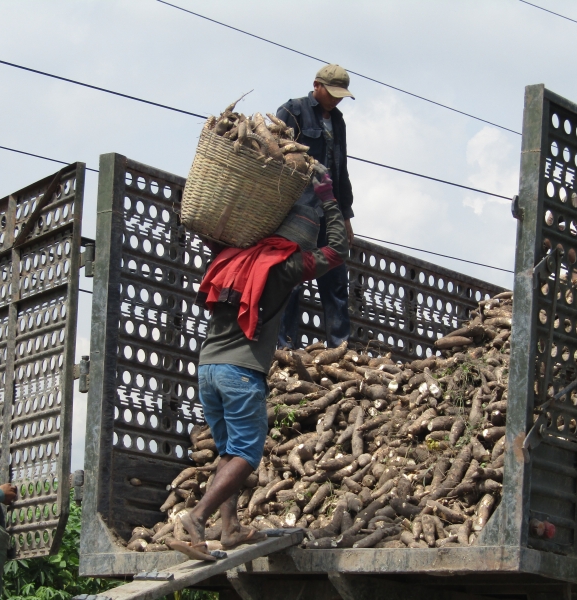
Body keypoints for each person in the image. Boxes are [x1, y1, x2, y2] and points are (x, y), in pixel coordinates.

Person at [176, 172, 348, 558]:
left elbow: (209, 229)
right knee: (248, 455)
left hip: (207, 370)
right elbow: (337, 250)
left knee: (228, 451)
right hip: (240, 373)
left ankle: (231, 528)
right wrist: (329, 201)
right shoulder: (285, 267)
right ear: (298, 243)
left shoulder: (229, 257)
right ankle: (199, 516)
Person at [276, 63, 356, 350]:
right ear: (316, 85)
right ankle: (284, 346)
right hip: (297, 212)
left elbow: (340, 170)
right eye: (331, 93)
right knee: (291, 279)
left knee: (335, 279)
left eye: (340, 96)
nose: (335, 100)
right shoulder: (293, 110)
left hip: (328, 211)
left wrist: (345, 216)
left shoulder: (339, 121)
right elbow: (276, 157)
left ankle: (340, 346)